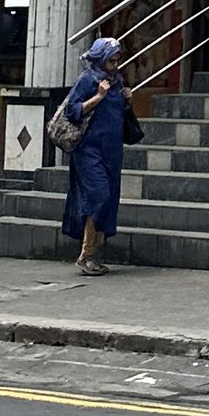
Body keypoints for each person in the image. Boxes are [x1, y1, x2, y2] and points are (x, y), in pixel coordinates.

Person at [60, 34, 139, 275]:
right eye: (111, 61)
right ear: (100, 59)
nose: (115, 66)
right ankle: (86, 254)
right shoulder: (88, 80)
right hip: (89, 151)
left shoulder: (116, 80)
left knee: (108, 199)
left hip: (112, 152)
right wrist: (97, 97)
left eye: (117, 61)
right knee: (98, 196)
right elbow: (72, 111)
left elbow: (118, 115)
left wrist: (127, 101)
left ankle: (92, 254)